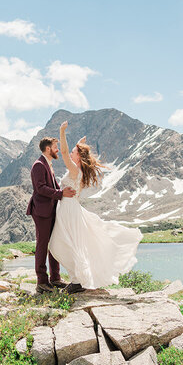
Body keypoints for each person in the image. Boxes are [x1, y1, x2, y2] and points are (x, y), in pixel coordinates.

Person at [49, 121, 142, 292]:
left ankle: (78, 280)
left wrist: (62, 132)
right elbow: (70, 152)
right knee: (68, 243)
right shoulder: (78, 170)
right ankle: (77, 279)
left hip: (69, 209)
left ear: (77, 157)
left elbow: (63, 151)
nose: (70, 153)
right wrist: (80, 143)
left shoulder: (75, 170)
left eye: (73, 152)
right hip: (70, 208)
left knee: (61, 244)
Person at [26, 136, 76, 293]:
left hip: (51, 210)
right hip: (41, 212)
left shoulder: (47, 164)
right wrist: (61, 194)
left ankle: (55, 278)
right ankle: (42, 281)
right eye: (55, 147)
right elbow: (40, 188)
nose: (57, 150)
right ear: (48, 149)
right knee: (42, 244)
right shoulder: (38, 166)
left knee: (54, 243)